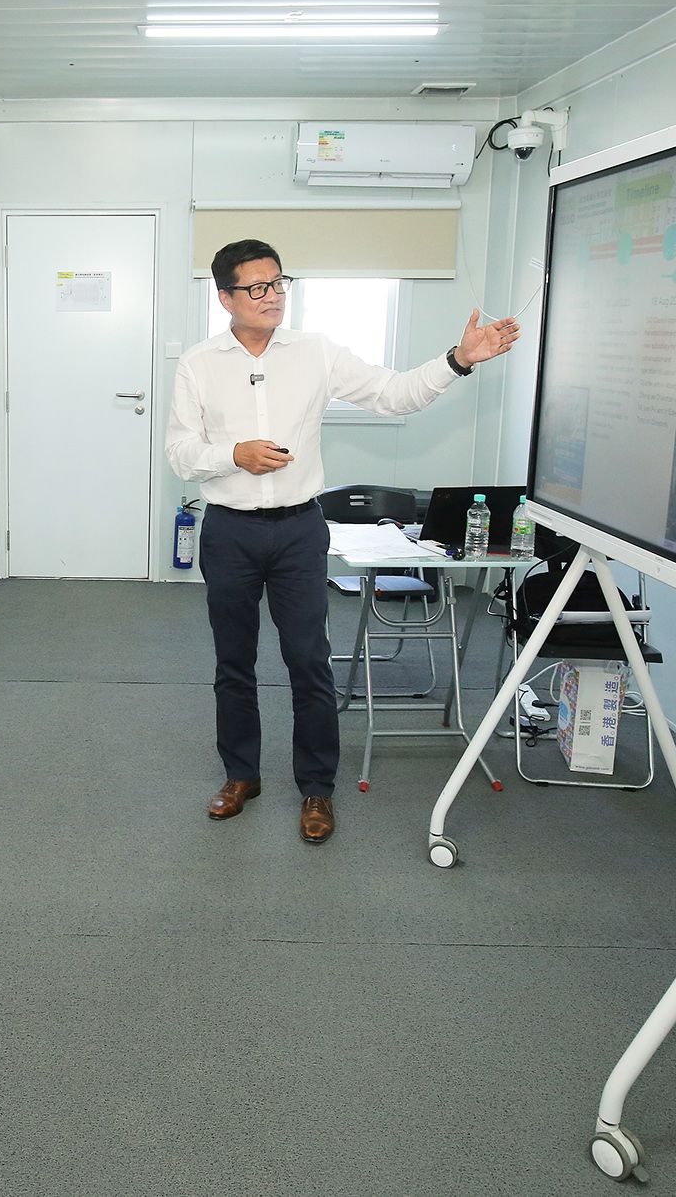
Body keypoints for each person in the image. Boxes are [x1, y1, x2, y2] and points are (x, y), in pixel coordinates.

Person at [165, 239, 519, 845]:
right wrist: (234, 454)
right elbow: (179, 452)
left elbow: (394, 393)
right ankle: (241, 775)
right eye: (256, 287)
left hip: (299, 530)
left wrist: (458, 360)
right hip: (229, 530)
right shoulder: (199, 363)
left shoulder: (316, 352)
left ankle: (316, 789)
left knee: (309, 662)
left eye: (278, 283)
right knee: (234, 661)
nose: (272, 295)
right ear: (224, 297)